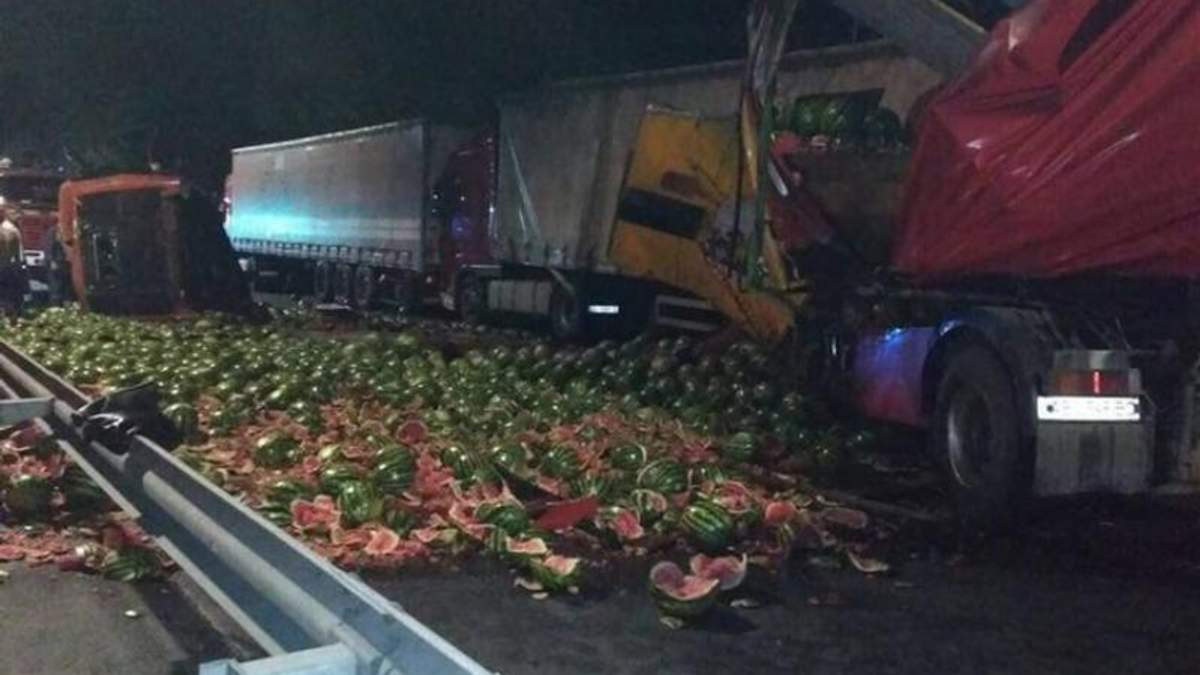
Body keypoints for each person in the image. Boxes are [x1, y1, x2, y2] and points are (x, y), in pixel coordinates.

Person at [0, 209, 25, 315]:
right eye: (16, 214)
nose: (19, 217)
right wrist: (20, 264)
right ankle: (12, 313)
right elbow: (17, 252)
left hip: (6, 265)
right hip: (9, 266)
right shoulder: (11, 230)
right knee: (10, 292)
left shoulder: (8, 228)